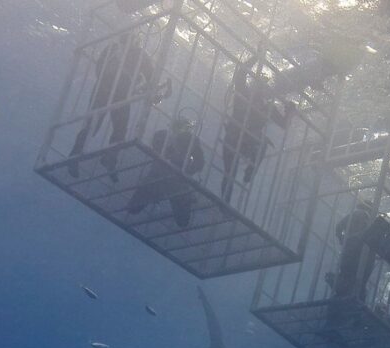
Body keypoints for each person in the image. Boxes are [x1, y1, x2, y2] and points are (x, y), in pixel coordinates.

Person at [68, 32, 160, 181]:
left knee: (91, 124)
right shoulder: (142, 55)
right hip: (121, 93)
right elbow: (151, 77)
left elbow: (99, 68)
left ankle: (75, 155)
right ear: (138, 40)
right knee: (120, 128)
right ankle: (110, 158)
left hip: (102, 89)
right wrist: (148, 91)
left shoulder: (112, 48)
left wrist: (108, 82)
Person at [220, 56, 294, 203]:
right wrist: (257, 55)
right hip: (233, 137)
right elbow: (240, 73)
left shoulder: (268, 108)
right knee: (230, 172)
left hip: (243, 141)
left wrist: (290, 112)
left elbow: (284, 125)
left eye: (263, 86)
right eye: (259, 84)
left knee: (262, 144)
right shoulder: (243, 95)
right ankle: (224, 202)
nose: (261, 89)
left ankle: (250, 172)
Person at [125, 117, 204, 228]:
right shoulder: (166, 136)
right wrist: (186, 169)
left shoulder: (189, 140)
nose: (180, 130)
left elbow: (199, 162)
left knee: (182, 220)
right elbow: (199, 163)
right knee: (134, 208)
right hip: (168, 178)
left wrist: (185, 169)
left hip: (168, 178)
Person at [328, 200, 378, 302]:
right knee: (359, 280)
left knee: (347, 275)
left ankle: (341, 298)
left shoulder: (355, 214)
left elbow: (338, 227)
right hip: (361, 253)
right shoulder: (366, 217)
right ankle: (356, 298)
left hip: (351, 250)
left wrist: (341, 239)